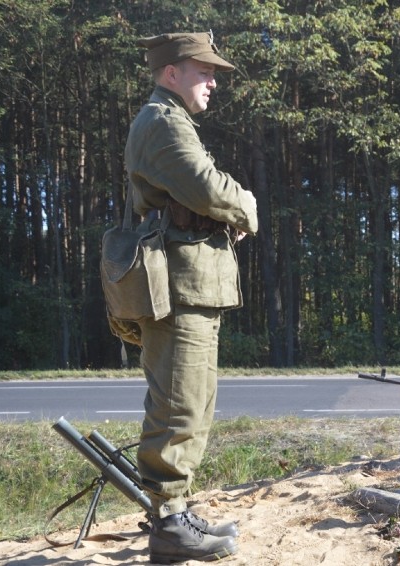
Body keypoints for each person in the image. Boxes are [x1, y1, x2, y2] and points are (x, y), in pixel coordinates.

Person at [125, 31, 258, 563]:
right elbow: (206, 187)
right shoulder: (162, 123)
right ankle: (169, 525)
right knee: (179, 403)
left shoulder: (172, 120)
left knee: (193, 400)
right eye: (204, 72)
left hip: (192, 284)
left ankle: (176, 515)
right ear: (172, 72)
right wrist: (246, 205)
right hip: (177, 286)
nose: (212, 83)